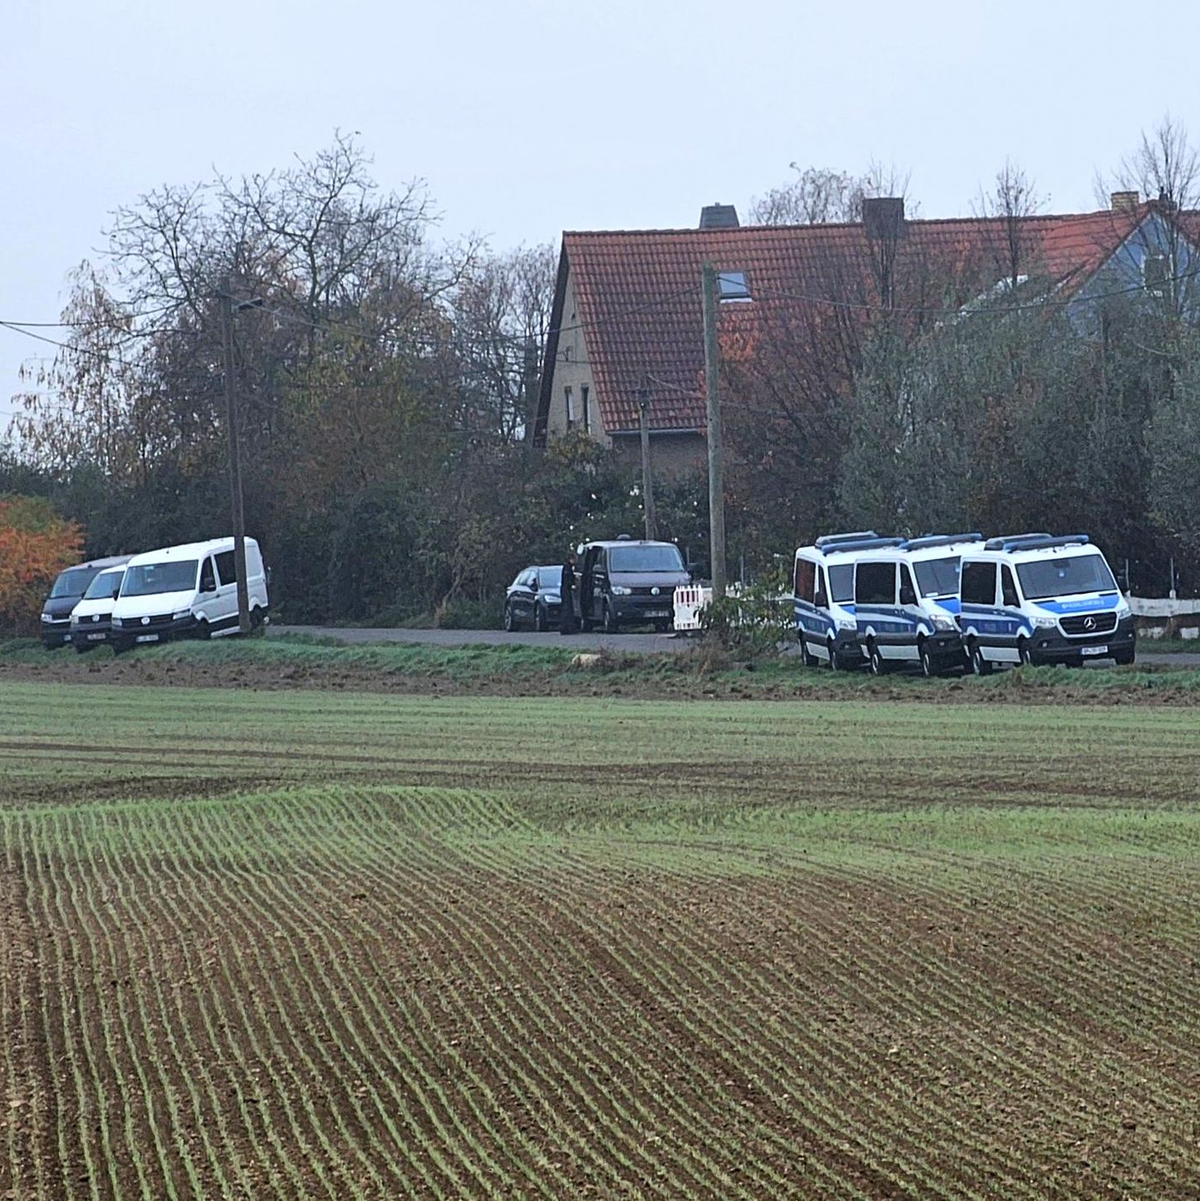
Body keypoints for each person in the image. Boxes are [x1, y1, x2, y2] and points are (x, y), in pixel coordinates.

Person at [559, 550, 578, 635]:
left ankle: (567, 628)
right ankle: (567, 628)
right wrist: (571, 585)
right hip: (566, 590)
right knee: (567, 609)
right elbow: (567, 579)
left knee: (567, 609)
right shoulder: (567, 567)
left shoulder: (568, 567)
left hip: (565, 590)